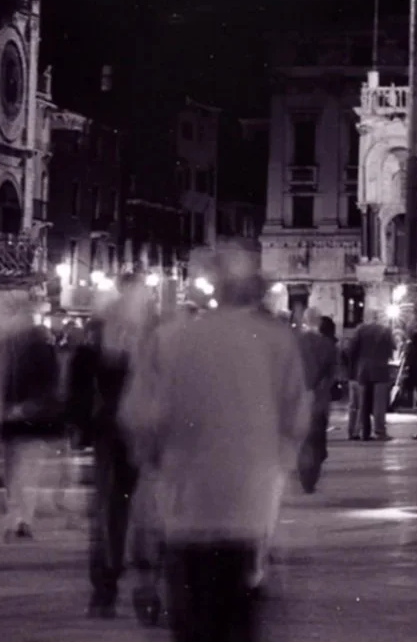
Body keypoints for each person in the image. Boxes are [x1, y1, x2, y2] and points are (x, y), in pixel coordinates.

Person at [120, 242, 309, 642]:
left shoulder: (171, 339)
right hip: (250, 512)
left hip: (185, 509)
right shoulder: (276, 341)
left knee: (192, 625)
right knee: (239, 622)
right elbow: (296, 421)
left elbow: (139, 419)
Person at [70, 274, 157, 616]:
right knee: (144, 513)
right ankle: (143, 592)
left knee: (111, 513)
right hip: (139, 435)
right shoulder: (153, 335)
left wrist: (81, 428)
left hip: (111, 433)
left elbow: (79, 385)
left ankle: (106, 589)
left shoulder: (100, 334)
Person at [0, 296, 63, 541]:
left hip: (20, 414)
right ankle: (21, 518)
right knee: (24, 469)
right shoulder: (33, 346)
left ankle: (18, 518)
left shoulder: (10, 345)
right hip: (26, 415)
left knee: (17, 469)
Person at [296, 317, 340, 493]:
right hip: (319, 399)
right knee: (316, 437)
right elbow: (333, 374)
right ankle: (312, 473)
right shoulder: (328, 345)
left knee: (304, 438)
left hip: (299, 399)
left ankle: (305, 474)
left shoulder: (296, 343)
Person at [348, 310, 396, 441]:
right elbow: (393, 347)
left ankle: (365, 432)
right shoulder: (385, 330)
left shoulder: (360, 330)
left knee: (363, 402)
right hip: (381, 369)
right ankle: (380, 431)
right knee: (379, 403)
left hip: (363, 370)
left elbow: (351, 349)